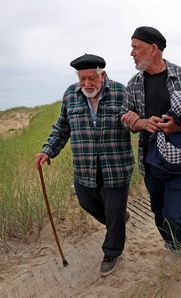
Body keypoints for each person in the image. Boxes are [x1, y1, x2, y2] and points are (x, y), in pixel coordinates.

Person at [35, 54, 134, 277]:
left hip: (115, 166)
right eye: (82, 79)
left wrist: (135, 123)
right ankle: (116, 219)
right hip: (85, 167)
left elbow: (133, 122)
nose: (87, 84)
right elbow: (62, 129)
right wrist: (47, 151)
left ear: (103, 75)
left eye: (91, 78)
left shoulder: (121, 93)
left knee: (115, 213)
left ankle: (112, 252)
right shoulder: (70, 95)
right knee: (86, 201)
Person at [121, 26, 181, 253]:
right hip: (151, 160)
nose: (132, 53)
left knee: (175, 213)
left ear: (153, 49)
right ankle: (171, 242)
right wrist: (140, 122)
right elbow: (125, 118)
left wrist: (179, 126)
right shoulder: (133, 84)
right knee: (158, 211)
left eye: (135, 48)